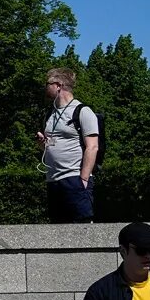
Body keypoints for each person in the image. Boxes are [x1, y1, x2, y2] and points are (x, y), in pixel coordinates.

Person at [38, 66, 100, 224]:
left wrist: (84, 179)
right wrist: (43, 144)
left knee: (82, 226)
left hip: (74, 179)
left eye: (48, 83)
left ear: (58, 86)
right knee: (58, 229)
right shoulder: (49, 114)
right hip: (53, 180)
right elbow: (49, 147)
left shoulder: (82, 111)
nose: (45, 87)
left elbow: (92, 146)